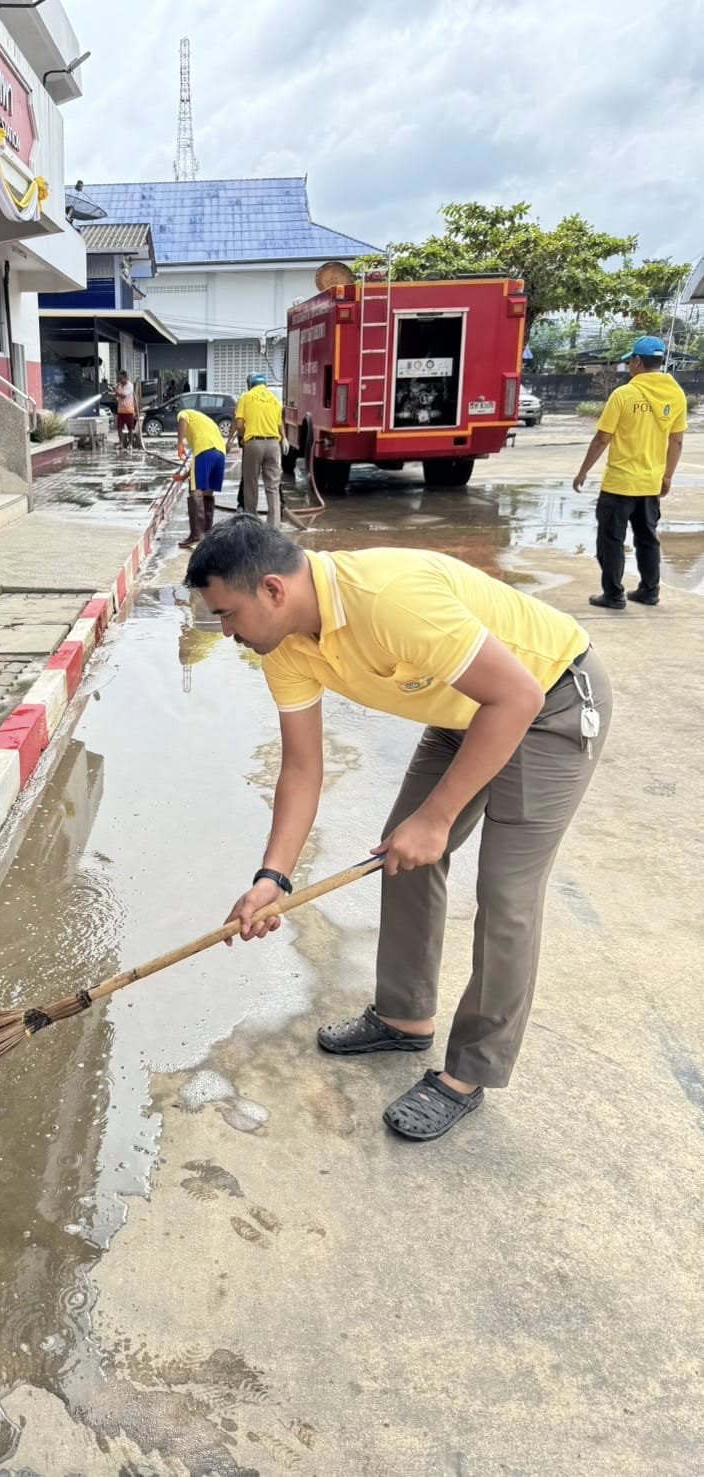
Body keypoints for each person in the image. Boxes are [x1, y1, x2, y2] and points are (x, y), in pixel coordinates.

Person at [185, 516, 612, 1142]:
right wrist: (273, 878)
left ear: (273, 589)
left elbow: (517, 697)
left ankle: (469, 1073)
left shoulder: (388, 597)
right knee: (401, 854)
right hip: (467, 710)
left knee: (507, 892)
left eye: (227, 614)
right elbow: (302, 768)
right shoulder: (285, 643)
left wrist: (436, 818)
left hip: (549, 702)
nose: (226, 632)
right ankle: (405, 1018)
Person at [572, 335, 687, 608]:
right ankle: (649, 591)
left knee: (611, 541)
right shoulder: (676, 395)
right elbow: (677, 441)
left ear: (636, 361)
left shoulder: (623, 395)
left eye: (630, 362)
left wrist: (583, 471)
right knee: (648, 539)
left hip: (619, 484)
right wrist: (667, 476)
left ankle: (613, 595)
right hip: (650, 483)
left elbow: (602, 438)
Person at [233, 373, 283, 525]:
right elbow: (279, 425)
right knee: (273, 487)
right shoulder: (275, 400)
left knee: (251, 485)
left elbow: (239, 425)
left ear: (251, 385)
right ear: (265, 385)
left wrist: (243, 438)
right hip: (274, 444)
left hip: (254, 443)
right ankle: (274, 526)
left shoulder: (246, 397)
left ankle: (252, 523)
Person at [176, 407, 226, 550]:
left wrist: (180, 443)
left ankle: (196, 535)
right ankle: (207, 534)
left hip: (205, 452)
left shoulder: (184, 413)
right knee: (207, 492)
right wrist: (184, 476)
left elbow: (182, 419)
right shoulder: (204, 423)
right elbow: (196, 466)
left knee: (195, 492)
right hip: (220, 453)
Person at [115, 370, 137, 451]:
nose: (120, 380)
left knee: (130, 429)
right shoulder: (120, 386)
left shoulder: (130, 386)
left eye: (121, 379)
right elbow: (118, 396)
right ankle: (121, 443)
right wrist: (115, 393)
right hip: (120, 411)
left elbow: (123, 395)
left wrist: (115, 391)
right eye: (119, 379)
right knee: (119, 428)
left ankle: (130, 444)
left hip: (128, 411)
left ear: (125, 377)